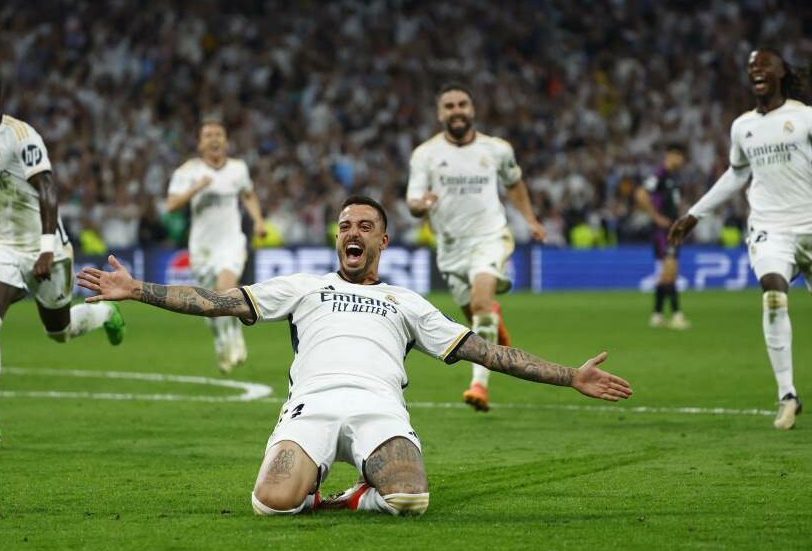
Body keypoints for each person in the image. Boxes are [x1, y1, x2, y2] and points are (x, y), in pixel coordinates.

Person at [77, 195, 632, 516]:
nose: (353, 232)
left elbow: (485, 351)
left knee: (411, 500)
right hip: (311, 408)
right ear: (337, 238)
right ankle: (313, 489)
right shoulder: (302, 287)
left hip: (378, 409)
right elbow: (216, 301)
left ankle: (352, 498)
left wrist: (570, 376)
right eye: (345, 225)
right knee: (269, 504)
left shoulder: (406, 302)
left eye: (365, 226)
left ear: (383, 241)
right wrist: (138, 290)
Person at [0, 64, 125, 444]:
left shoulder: (21, 136)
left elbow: (47, 189)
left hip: (45, 246)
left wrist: (46, 249)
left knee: (59, 331)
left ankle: (105, 313)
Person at [669, 48, 812, 430]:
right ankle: (787, 395)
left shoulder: (804, 118)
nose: (756, 70)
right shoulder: (742, 126)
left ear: (782, 72)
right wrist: (695, 214)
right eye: (751, 67)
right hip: (770, 228)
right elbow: (736, 174)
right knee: (773, 294)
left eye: (764, 64)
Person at [406, 83, 547, 412]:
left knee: (481, 302)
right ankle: (494, 322)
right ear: (440, 114)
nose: (456, 110)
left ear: (472, 110)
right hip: (450, 247)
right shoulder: (425, 155)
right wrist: (421, 205)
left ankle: (478, 386)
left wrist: (530, 219)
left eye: (462, 104)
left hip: (490, 236)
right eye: (449, 106)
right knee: (476, 316)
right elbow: (413, 201)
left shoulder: (496, 149)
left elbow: (514, 184)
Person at [165, 120, 267, 374]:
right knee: (210, 303)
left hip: (231, 242)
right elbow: (171, 205)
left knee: (225, 287)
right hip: (202, 247)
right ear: (200, 144)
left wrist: (258, 221)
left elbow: (248, 194)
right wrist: (196, 188)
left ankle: (233, 337)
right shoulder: (188, 171)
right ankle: (223, 338)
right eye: (208, 135)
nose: (214, 139)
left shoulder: (238, 169)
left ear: (226, 141)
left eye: (218, 134)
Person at [635, 143, 691, 330]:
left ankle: (657, 315)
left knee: (666, 275)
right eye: (680, 156)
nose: (682, 161)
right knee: (670, 271)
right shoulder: (660, 174)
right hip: (663, 232)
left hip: (673, 230)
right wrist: (656, 217)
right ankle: (676, 315)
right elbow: (641, 194)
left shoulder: (673, 177)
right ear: (671, 155)